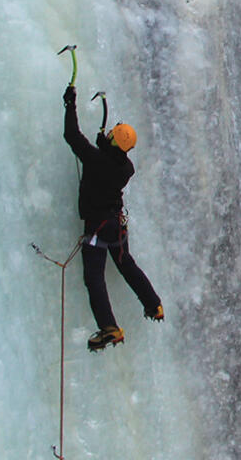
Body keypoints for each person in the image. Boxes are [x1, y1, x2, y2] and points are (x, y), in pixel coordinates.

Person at [64, 85, 163, 351]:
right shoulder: (125, 167)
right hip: (116, 226)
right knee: (125, 264)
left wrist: (70, 104)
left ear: (112, 141)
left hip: (98, 227)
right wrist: (104, 146)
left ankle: (109, 328)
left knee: (94, 277)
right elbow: (111, 159)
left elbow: (72, 136)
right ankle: (154, 304)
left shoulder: (97, 160)